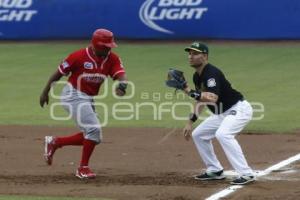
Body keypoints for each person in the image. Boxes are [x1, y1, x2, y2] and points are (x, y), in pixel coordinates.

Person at [40, 28, 128, 179]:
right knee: (93, 130)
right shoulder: (78, 56)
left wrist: (122, 85)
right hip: (72, 95)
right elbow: (58, 73)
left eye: (110, 46)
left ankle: (55, 142)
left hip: (88, 98)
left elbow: (121, 75)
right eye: (106, 46)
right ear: (96, 45)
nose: (108, 49)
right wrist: (45, 91)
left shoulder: (112, 58)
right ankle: (82, 168)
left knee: (95, 136)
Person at [182, 42, 255, 185]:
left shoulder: (211, 74)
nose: (191, 56)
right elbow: (202, 100)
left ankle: (246, 174)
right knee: (199, 134)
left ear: (204, 56)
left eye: (195, 53)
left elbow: (212, 98)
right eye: (189, 53)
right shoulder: (197, 76)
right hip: (222, 113)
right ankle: (215, 170)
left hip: (238, 109)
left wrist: (188, 91)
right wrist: (190, 122)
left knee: (223, 134)